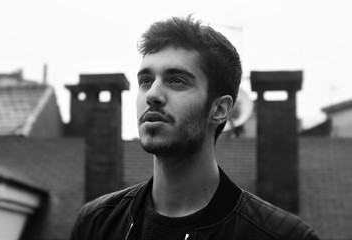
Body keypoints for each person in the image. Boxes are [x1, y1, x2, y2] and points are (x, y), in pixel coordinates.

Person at [71, 16, 319, 240]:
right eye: (146, 80)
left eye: (177, 80)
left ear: (220, 109)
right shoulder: (96, 223)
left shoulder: (282, 236)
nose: (153, 94)